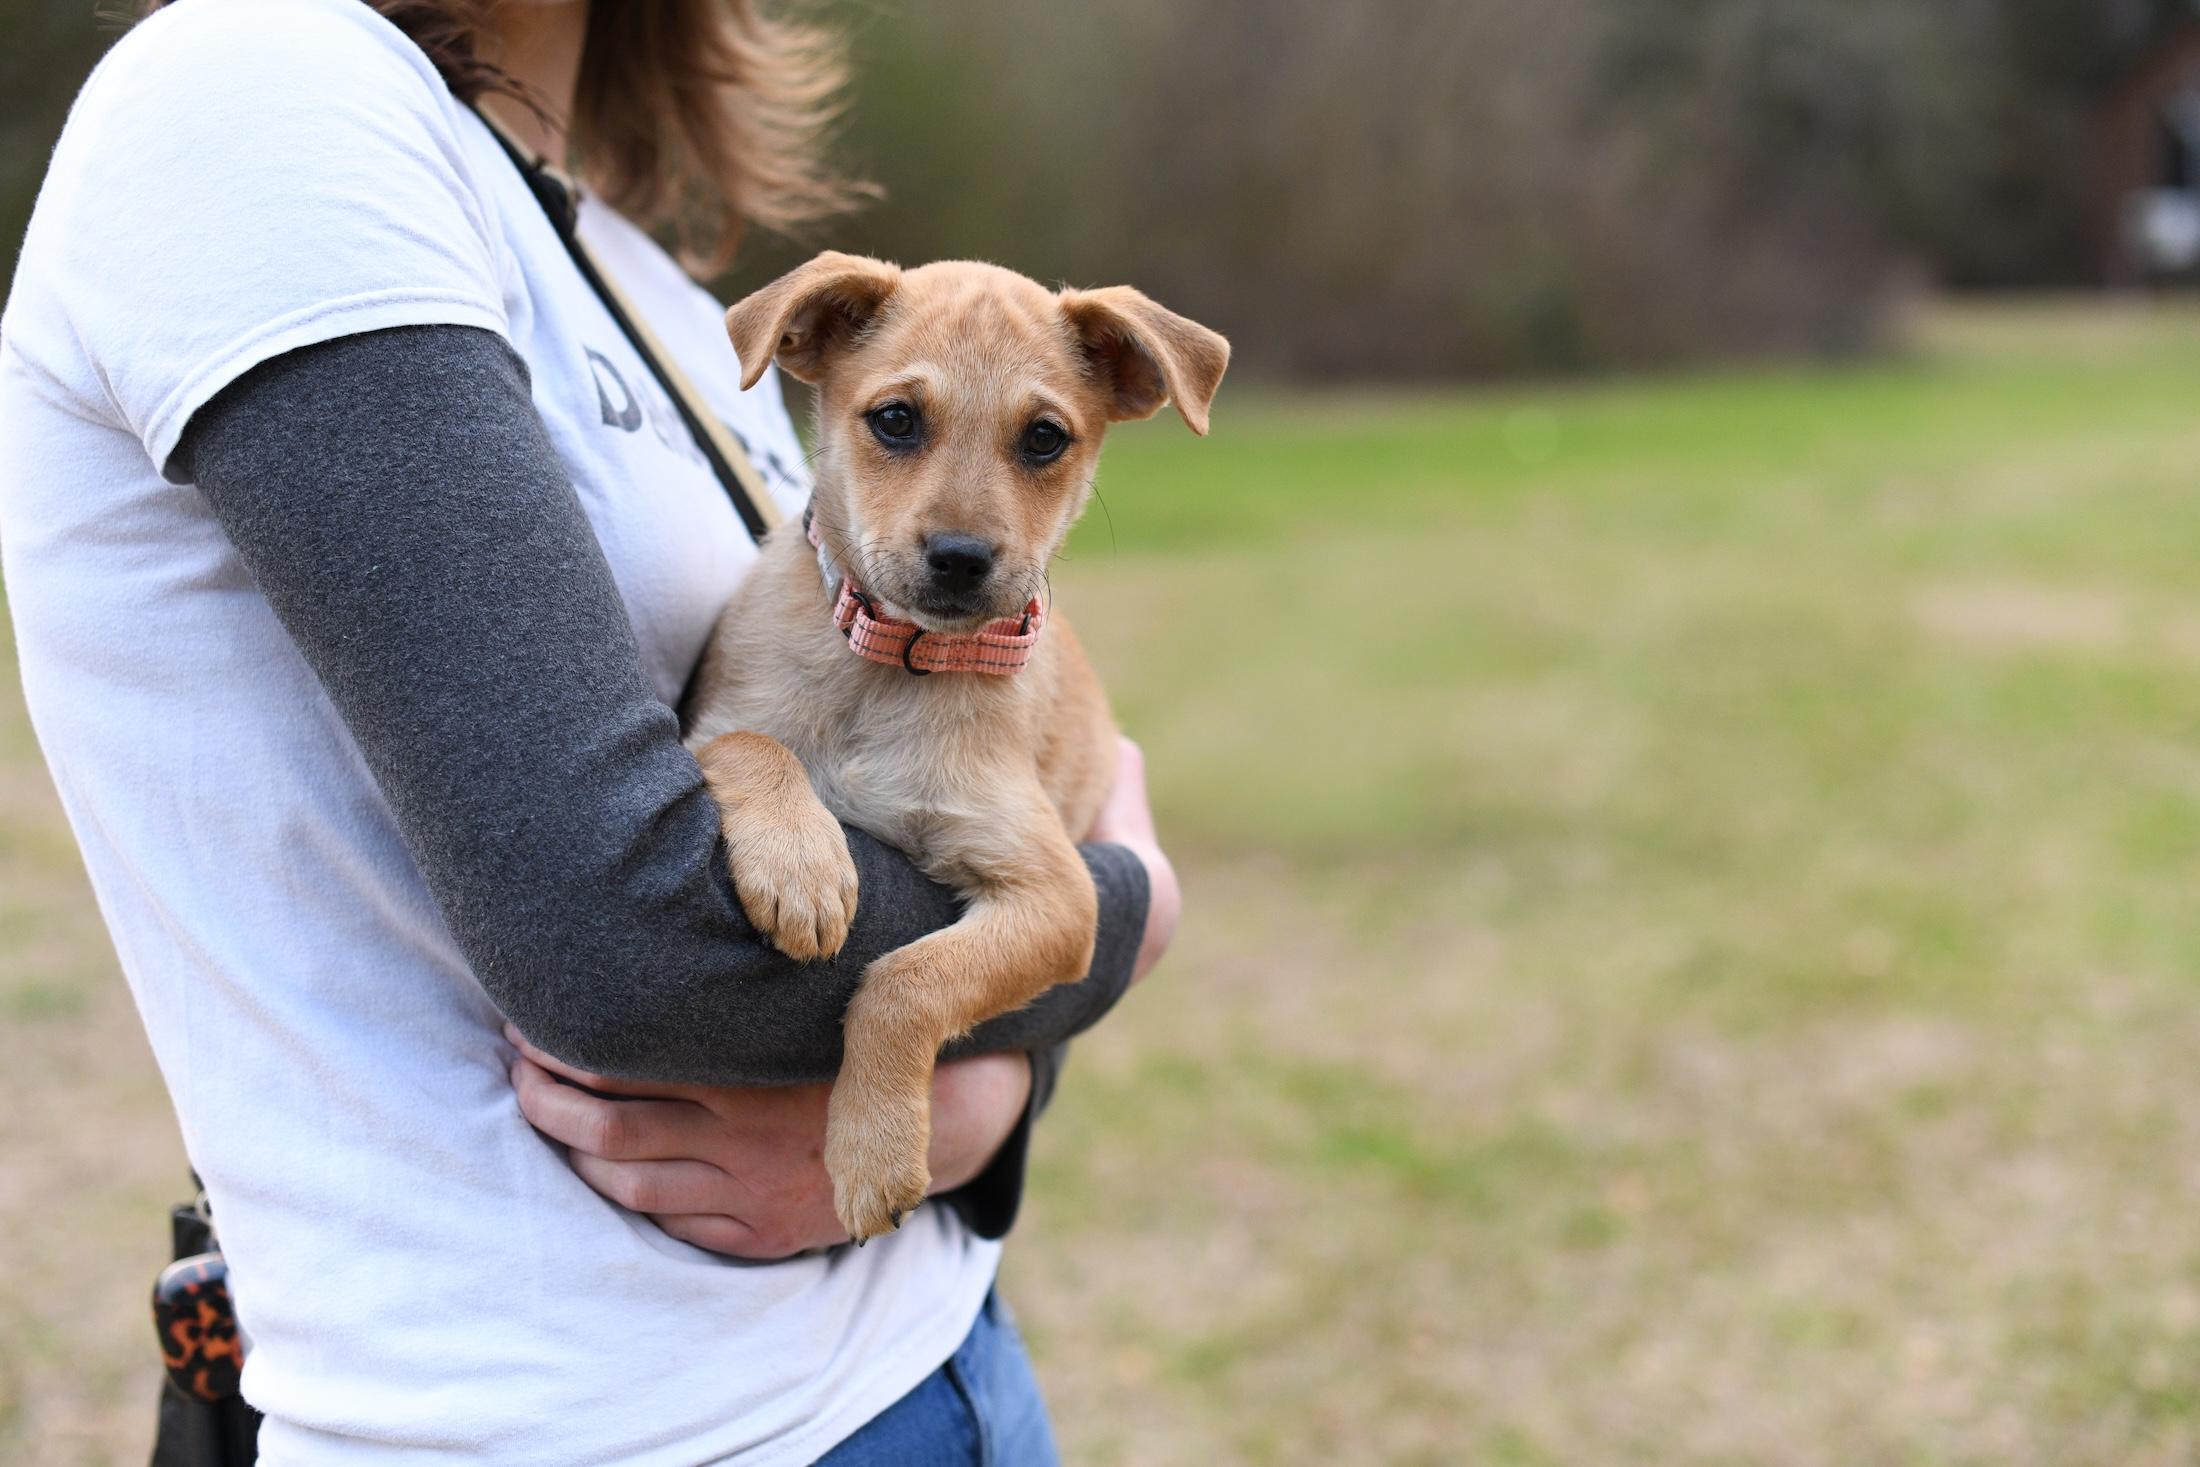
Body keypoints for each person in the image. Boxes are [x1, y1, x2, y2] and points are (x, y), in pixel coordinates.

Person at [0, 0, 1180, 1461]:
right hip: (582, 1418)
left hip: (940, 1356)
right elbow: (617, 934)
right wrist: (1132, 913)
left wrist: (985, 1096)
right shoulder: (261, 100)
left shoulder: (654, 282)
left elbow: (998, 863)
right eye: (899, 428)